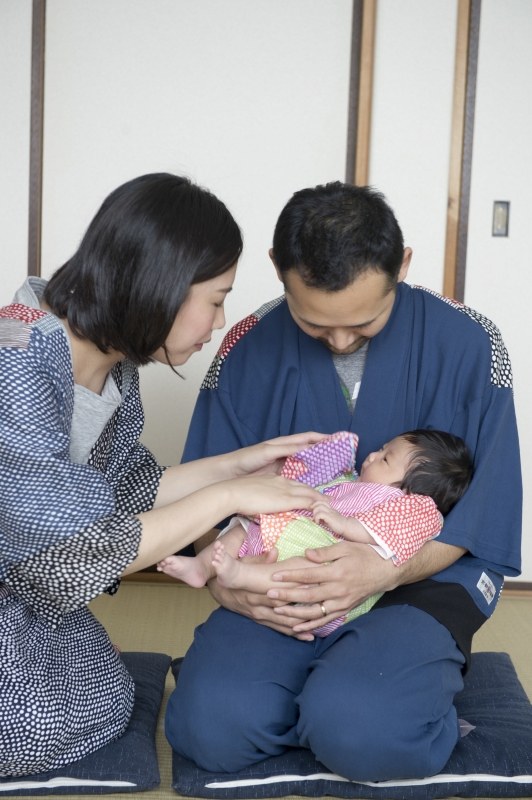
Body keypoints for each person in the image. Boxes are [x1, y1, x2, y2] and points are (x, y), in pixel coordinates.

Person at [166, 182, 522, 782]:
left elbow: (482, 514)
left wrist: (384, 569)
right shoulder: (246, 346)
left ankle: (360, 693)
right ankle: (331, 691)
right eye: (313, 323)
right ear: (278, 269)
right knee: (211, 727)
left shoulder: (469, 342)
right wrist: (229, 587)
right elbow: (206, 501)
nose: (339, 340)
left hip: (422, 576)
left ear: (401, 265)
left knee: (362, 729)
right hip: (282, 571)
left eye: (364, 321)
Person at [0, 173, 326, 778]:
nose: (220, 322)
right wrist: (230, 494)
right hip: (35, 568)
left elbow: (125, 491)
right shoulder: (17, 362)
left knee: (110, 689)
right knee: (33, 725)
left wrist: (240, 462)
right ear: (161, 283)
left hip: (25, 577)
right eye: (216, 299)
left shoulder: (110, 361)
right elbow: (69, 551)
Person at [157, 429, 472, 639]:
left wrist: (342, 523)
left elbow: (379, 533)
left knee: (305, 568)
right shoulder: (351, 483)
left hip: (326, 581)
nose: (373, 456)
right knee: (240, 527)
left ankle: (240, 575)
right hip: (288, 536)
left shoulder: (415, 508)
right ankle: (202, 567)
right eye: (380, 449)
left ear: (411, 489)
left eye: (385, 458)